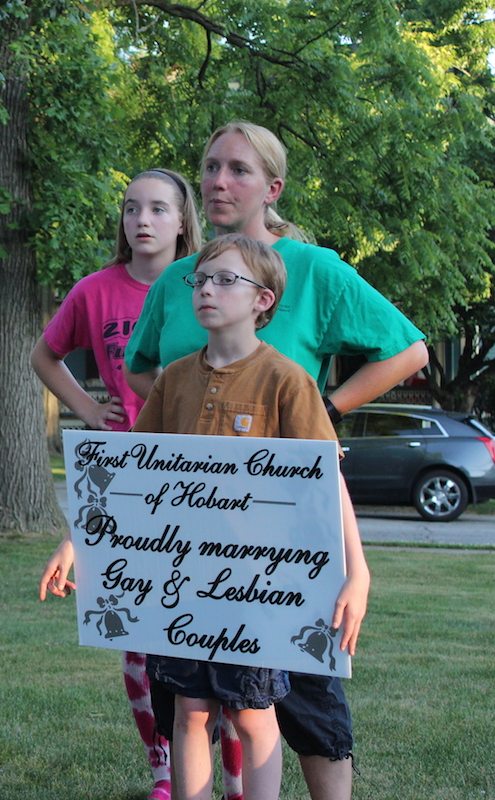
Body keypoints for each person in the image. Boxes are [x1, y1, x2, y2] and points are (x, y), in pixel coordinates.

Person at [124, 122, 427, 800]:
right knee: (194, 700)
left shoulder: (313, 269)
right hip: (193, 543)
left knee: (304, 696)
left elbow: (410, 352)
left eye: (237, 169)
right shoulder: (179, 277)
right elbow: (145, 373)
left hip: (288, 534)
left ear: (272, 186)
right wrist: (192, 429)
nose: (219, 181)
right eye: (210, 168)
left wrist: (326, 411)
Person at [131, 234, 367, 800]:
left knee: (253, 712)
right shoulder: (174, 379)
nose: (206, 289)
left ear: (263, 300)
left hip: (259, 585)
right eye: (201, 279)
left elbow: (323, 478)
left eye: (225, 280)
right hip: (185, 582)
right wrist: (76, 544)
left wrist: (357, 571)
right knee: (190, 711)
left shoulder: (287, 379)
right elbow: (132, 474)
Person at [34, 169, 214, 800]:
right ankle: (163, 773)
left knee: (218, 639)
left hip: (203, 483)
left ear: (182, 221)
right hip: (126, 481)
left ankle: (237, 777)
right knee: (139, 639)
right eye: (132, 208)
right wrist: (87, 409)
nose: (142, 220)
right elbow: (44, 356)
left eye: (159, 209)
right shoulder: (94, 292)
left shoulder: (209, 285)